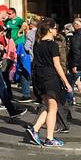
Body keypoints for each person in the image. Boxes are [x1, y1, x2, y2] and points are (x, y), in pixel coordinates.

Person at [25, 18, 73, 148]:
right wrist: (66, 82)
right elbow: (57, 65)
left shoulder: (37, 44)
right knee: (53, 108)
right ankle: (49, 138)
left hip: (39, 77)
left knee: (48, 106)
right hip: (50, 78)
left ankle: (35, 129)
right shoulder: (53, 45)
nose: (56, 30)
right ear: (50, 29)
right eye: (55, 28)